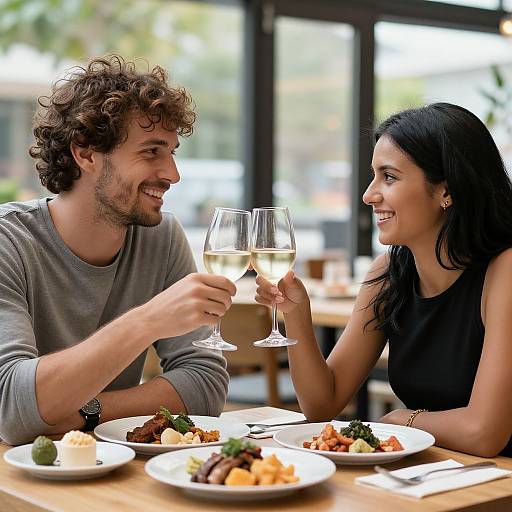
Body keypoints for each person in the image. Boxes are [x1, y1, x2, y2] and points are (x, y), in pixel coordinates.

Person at [0, 55, 234, 445]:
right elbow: (11, 409)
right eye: (151, 151)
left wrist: (81, 412)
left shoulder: (161, 237)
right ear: (86, 153)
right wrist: (147, 321)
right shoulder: (9, 242)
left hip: (108, 468)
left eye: (172, 152)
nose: (173, 174)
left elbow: (205, 385)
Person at [255, 103, 512, 457]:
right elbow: (322, 404)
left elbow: (484, 433)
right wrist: (296, 313)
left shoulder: (505, 271)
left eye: (388, 177)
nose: (368, 194)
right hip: (435, 475)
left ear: (446, 190)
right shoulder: (388, 274)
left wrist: (401, 420)